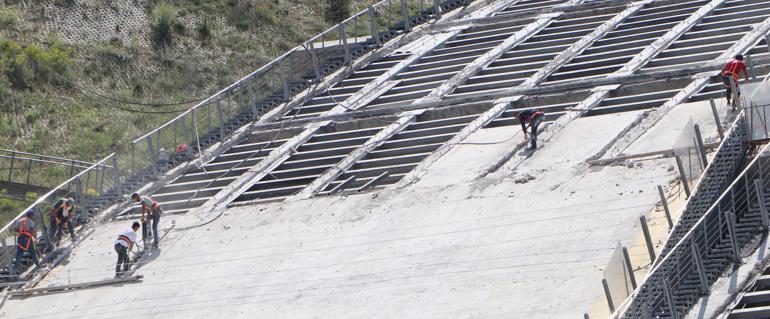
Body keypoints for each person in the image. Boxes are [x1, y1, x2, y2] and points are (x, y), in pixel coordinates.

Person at [13, 210, 42, 276]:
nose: (34, 216)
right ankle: (38, 265)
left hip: (20, 238)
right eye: (33, 215)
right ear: (31, 215)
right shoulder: (31, 221)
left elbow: (15, 229)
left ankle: (15, 269)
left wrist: (22, 231)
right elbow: (32, 229)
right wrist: (35, 238)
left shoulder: (20, 220)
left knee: (19, 254)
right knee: (32, 252)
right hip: (28, 239)